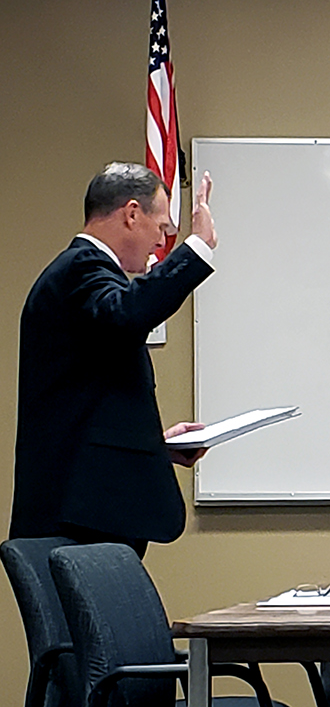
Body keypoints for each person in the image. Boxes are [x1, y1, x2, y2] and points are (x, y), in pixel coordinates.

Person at [10, 163, 217, 557]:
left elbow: (86, 399)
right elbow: (128, 316)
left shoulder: (80, 273)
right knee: (91, 622)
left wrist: (154, 445)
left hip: (86, 511)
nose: (160, 243)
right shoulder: (82, 268)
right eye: (161, 228)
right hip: (80, 520)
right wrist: (198, 247)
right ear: (132, 213)